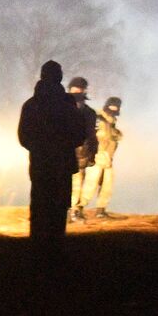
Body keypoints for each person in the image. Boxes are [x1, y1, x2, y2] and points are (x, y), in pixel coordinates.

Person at [19, 60, 87, 256]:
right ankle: (56, 248)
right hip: (62, 164)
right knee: (59, 206)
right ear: (60, 77)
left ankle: (36, 247)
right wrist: (63, 146)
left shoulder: (31, 105)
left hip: (40, 164)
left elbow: (24, 136)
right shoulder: (67, 105)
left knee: (39, 204)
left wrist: (39, 149)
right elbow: (79, 134)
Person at [82, 96, 122, 218]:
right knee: (91, 183)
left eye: (116, 106)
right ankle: (77, 209)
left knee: (107, 184)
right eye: (112, 105)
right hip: (97, 155)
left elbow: (113, 138)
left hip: (108, 157)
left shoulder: (112, 121)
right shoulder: (98, 118)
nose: (114, 108)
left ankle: (101, 210)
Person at [68, 77, 99, 222]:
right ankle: (71, 212)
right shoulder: (88, 112)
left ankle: (73, 211)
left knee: (76, 183)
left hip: (80, 153)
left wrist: (92, 153)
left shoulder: (89, 113)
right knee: (72, 183)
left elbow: (92, 135)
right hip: (69, 153)